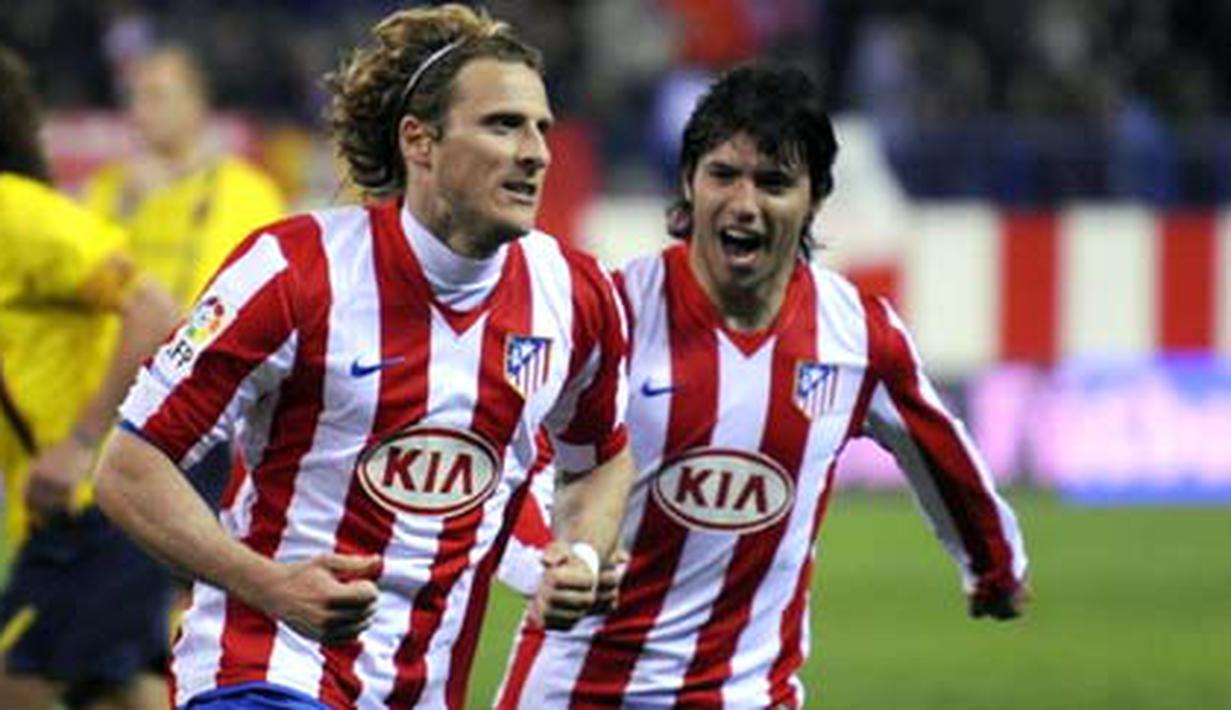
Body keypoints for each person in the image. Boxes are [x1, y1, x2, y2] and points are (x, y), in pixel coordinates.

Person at [93, 5, 636, 708]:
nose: (535, 152)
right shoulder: (295, 272)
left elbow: (600, 459)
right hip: (262, 671)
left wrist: (583, 556)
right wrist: (269, 585)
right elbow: (130, 468)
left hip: (424, 688)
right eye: (502, 125)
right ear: (420, 141)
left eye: (541, 128)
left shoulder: (575, 293)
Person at [495, 64, 1029, 708]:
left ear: (815, 198)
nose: (744, 203)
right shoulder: (614, 312)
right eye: (723, 174)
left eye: (774, 182)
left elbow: (941, 454)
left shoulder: (858, 335)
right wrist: (544, 564)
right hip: (578, 690)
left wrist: (994, 568)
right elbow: (512, 452)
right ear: (688, 182)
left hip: (748, 693)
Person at [0, 45, 180, 709]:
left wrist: (78, 442)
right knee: (110, 687)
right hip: (65, 509)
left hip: (99, 497)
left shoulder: (18, 212)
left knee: (17, 677)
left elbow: (156, 308)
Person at [82, 44, 285, 308]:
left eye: (155, 96)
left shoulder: (248, 192)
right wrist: (125, 209)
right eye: (133, 98)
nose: (138, 112)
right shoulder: (109, 186)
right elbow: (85, 284)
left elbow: (270, 292)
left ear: (195, 104)